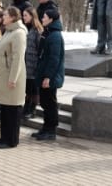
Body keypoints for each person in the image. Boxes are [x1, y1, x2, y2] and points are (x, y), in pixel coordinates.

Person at [0, 7, 27, 148]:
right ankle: (3, 137)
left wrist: (13, 78)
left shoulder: (19, 33)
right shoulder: (8, 31)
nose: (3, 16)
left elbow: (17, 57)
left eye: (6, 14)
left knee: (13, 110)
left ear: (13, 17)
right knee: (5, 109)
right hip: (4, 76)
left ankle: (12, 140)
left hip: (13, 78)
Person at [32, 9, 65, 141]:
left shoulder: (55, 36)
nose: (42, 18)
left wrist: (48, 77)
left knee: (50, 103)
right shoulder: (48, 32)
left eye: (44, 17)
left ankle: (51, 130)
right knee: (45, 102)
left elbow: (54, 59)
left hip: (50, 76)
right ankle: (46, 128)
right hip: (44, 73)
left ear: (51, 19)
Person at [22, 7, 43, 119]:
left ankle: (32, 109)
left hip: (34, 65)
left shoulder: (37, 30)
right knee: (28, 88)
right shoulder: (26, 29)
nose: (23, 17)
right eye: (23, 15)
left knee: (33, 89)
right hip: (26, 64)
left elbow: (40, 49)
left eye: (26, 15)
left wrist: (38, 65)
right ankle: (26, 107)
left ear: (32, 16)